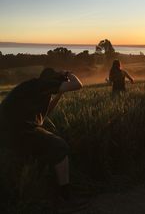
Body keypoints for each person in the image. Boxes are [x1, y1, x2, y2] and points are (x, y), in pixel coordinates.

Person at [0, 68, 86, 212]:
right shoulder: (44, 84)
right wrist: (68, 74)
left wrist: (59, 95)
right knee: (60, 146)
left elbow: (43, 115)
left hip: (6, 130)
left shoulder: (33, 87)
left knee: (42, 141)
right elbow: (78, 84)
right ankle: (66, 197)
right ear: (52, 80)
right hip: (19, 130)